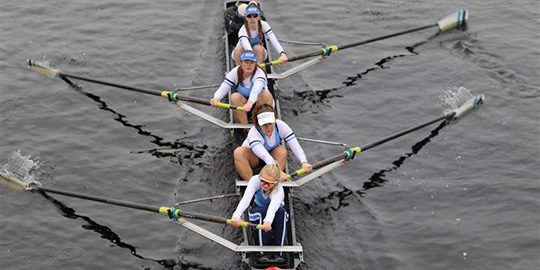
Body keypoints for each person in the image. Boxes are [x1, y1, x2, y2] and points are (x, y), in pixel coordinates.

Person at [234, 104, 312, 181]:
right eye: (264, 125)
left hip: (271, 158)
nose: (268, 128)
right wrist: (276, 169)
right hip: (254, 159)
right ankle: (252, 184)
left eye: (270, 123)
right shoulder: (254, 133)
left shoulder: (281, 126)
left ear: (275, 120)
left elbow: (295, 146)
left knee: (282, 151)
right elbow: (266, 157)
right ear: (258, 124)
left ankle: (275, 180)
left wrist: (304, 162)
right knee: (238, 152)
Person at [230, 164, 288, 263]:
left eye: (269, 183)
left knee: (281, 213)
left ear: (276, 182)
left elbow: (273, 208)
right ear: (260, 177)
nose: (265, 185)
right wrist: (236, 216)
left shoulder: (279, 190)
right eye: (263, 181)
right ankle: (262, 254)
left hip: (273, 214)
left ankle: (279, 254)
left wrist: (268, 221)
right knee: (262, 213)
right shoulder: (255, 180)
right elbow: (246, 199)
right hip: (257, 211)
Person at [210, 51, 273, 124]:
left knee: (264, 94)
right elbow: (224, 87)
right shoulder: (235, 72)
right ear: (241, 63)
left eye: (252, 62)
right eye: (246, 62)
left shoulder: (259, 74)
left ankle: (261, 125)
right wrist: (216, 98)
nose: (249, 65)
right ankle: (246, 129)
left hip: (260, 103)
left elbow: (256, 90)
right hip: (244, 106)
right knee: (234, 97)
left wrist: (250, 102)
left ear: (255, 64)